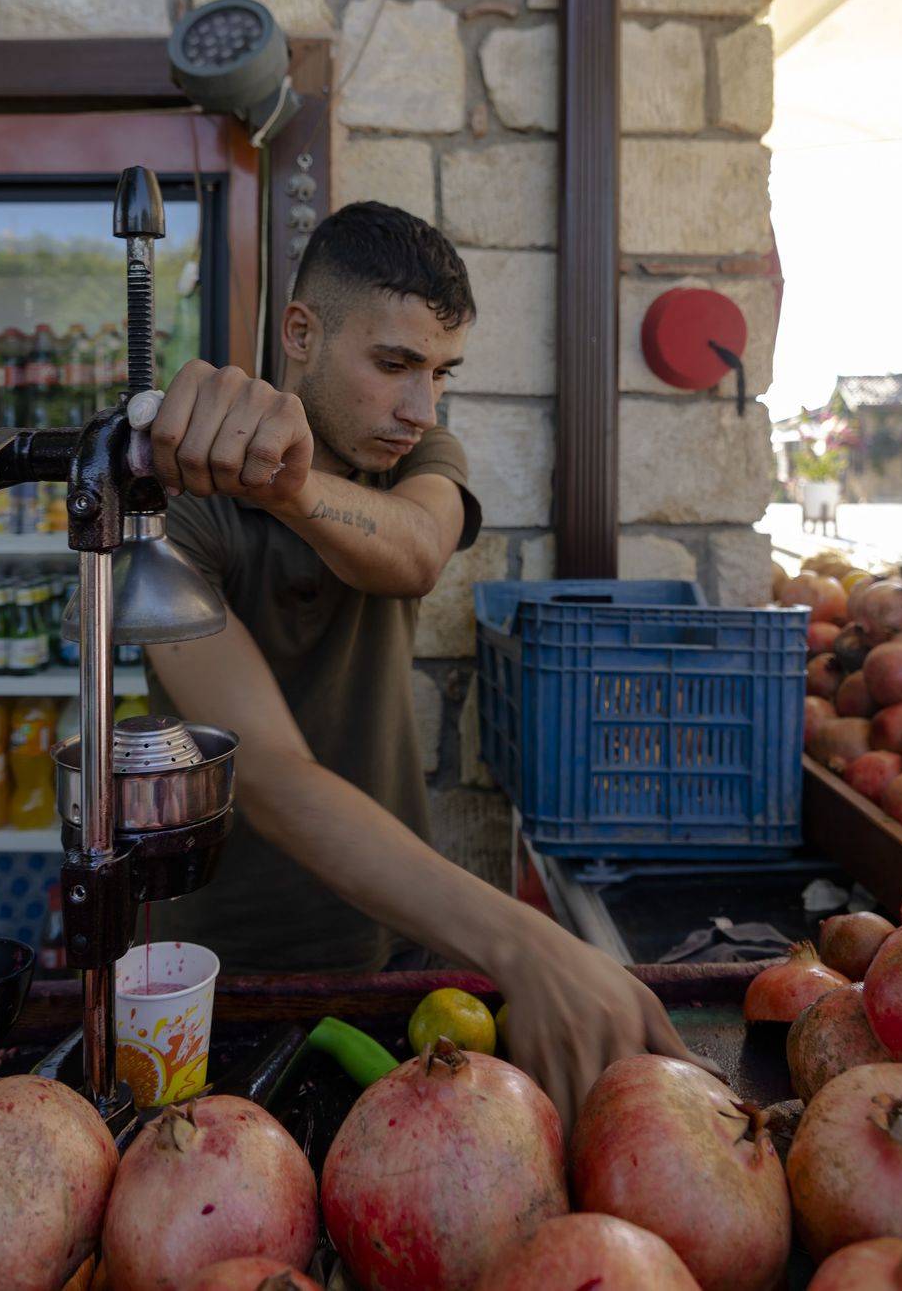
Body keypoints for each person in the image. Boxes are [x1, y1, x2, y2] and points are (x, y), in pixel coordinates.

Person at [145, 200, 703, 1130]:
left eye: (441, 373)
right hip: (219, 964)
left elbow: (412, 553)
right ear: (301, 333)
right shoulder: (185, 504)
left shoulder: (418, 453)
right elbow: (264, 770)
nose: (421, 408)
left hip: (399, 939)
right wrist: (521, 943)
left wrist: (288, 490)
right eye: (395, 364)